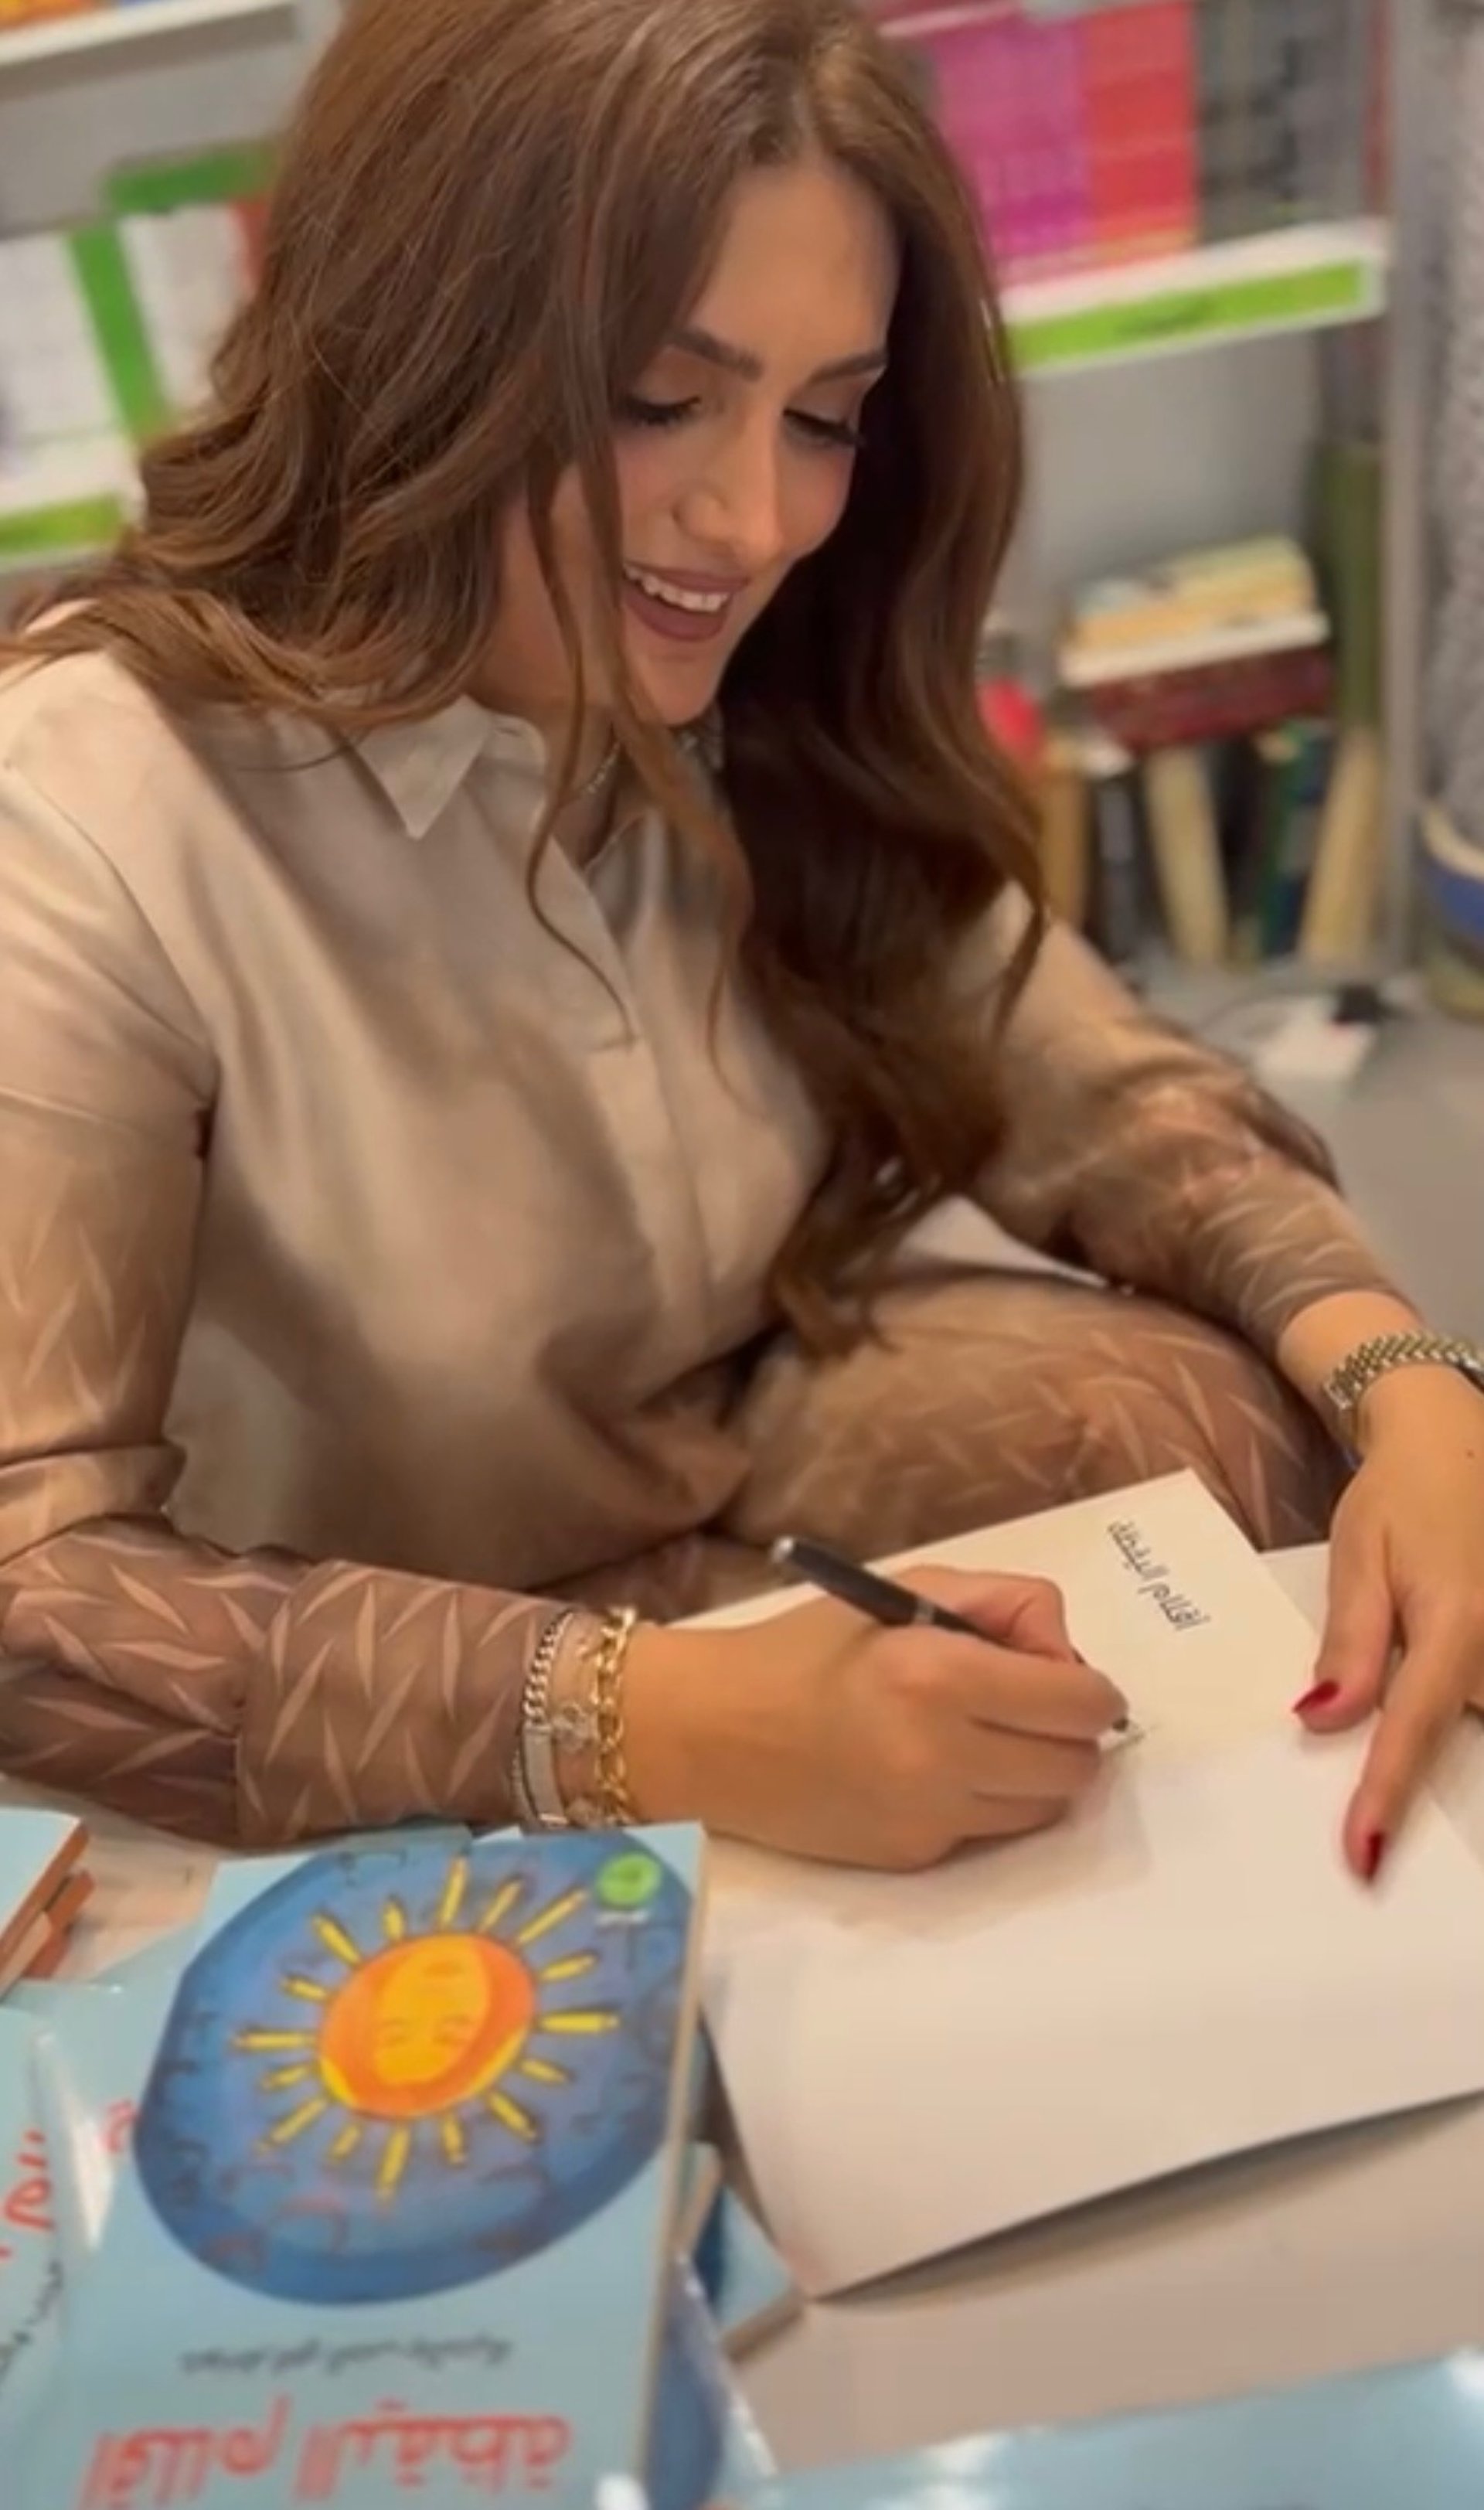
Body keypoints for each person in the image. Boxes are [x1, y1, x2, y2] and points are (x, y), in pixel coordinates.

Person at [1, 0, 1481, 1884]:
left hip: (720, 1458)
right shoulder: (79, 813)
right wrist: (655, 1723)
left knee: (1238, 1425)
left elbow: (1095, 1082)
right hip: (349, 1620)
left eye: (825, 417)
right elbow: (32, 1596)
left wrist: (1410, 1382)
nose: (756, 516)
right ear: (413, 335)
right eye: (656, 397)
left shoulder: (751, 679)